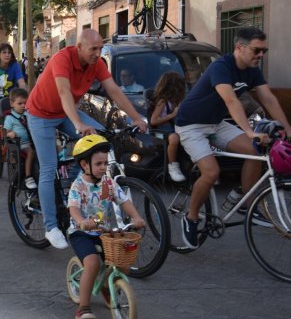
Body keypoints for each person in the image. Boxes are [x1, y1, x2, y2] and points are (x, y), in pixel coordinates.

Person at [26, 28, 147, 249]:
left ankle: (75, 181)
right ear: (79, 47)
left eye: (101, 48)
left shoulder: (97, 64)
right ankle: (51, 227)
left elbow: (115, 91)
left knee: (100, 140)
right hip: (41, 114)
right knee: (48, 167)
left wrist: (136, 118)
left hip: (65, 111)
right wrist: (79, 124)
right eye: (94, 48)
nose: (98, 53)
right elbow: (64, 92)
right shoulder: (62, 58)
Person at [175, 27, 291, 249]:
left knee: (256, 151)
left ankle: (248, 204)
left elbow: (268, 99)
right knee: (211, 172)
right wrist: (249, 130)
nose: (261, 55)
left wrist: (288, 128)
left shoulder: (253, 70)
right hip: (191, 125)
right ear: (239, 47)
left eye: (264, 51)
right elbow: (231, 101)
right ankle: (191, 218)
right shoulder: (221, 66)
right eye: (257, 50)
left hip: (216, 123)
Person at [68, 134, 145, 319]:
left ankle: (106, 285)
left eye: (105, 163)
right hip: (81, 232)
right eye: (98, 164)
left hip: (103, 231)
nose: (103, 168)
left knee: (122, 262)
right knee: (92, 263)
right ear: (85, 165)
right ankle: (83, 308)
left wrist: (136, 217)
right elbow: (73, 209)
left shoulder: (109, 183)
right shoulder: (78, 186)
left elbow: (124, 200)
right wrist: (81, 221)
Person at [0, 43, 27, 151]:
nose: (7, 55)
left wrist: (27, 98)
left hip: (11, 98)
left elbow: (21, 83)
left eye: (9, 52)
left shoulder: (15, 66)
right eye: (4, 52)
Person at [149, 72, 186, 182]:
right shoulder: (162, 101)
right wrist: (172, 115)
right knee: (174, 138)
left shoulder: (177, 101)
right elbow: (153, 120)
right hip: (162, 130)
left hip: (174, 128)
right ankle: (172, 165)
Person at [3, 88, 37, 190]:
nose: (23, 106)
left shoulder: (29, 114)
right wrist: (10, 133)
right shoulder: (10, 118)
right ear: (12, 103)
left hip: (32, 142)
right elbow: (5, 132)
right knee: (30, 152)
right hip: (20, 144)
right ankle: (28, 176)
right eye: (20, 103)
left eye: (25, 103)